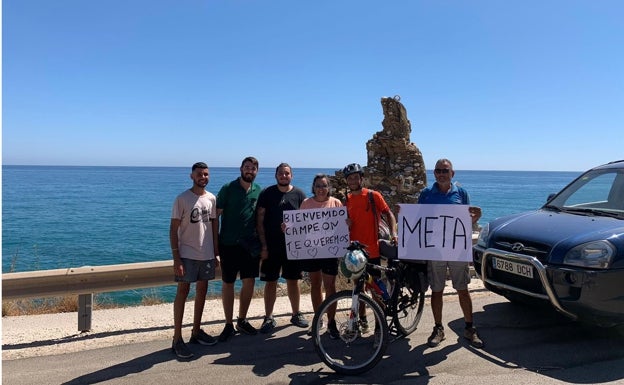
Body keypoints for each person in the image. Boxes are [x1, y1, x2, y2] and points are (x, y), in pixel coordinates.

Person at [417, 158, 484, 349]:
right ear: (434, 173)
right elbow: (418, 219)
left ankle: (469, 327)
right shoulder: (426, 194)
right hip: (435, 249)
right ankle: (438, 328)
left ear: (452, 174)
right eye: (438, 170)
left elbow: (466, 222)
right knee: (436, 290)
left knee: (462, 289)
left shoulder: (461, 193)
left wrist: (476, 217)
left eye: (445, 170)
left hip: (456, 249)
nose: (441, 173)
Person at [169, 162, 219, 359]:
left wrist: (216, 252)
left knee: (202, 291)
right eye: (199, 174)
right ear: (191, 176)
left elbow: (214, 227)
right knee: (182, 292)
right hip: (187, 254)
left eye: (206, 174)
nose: (203, 177)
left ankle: (196, 332)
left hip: (206, 254)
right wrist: (176, 259)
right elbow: (173, 230)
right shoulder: (182, 199)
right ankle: (177, 338)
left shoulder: (212, 199)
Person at [342, 163, 398, 332]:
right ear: (347, 181)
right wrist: (347, 225)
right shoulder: (347, 200)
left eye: (355, 177)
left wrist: (394, 233)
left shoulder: (373, 196)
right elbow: (344, 225)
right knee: (358, 289)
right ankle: (363, 321)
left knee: (375, 290)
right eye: (350, 178)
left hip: (372, 250)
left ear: (361, 178)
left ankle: (380, 326)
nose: (353, 180)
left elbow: (388, 213)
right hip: (354, 252)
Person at [256, 163, 309, 334]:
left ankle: (296, 313)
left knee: (293, 281)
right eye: (281, 173)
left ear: (291, 175)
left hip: (293, 247)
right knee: (271, 282)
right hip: (272, 247)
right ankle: (268, 317)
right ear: (276, 175)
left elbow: (307, 220)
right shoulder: (267, 193)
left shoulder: (299, 194)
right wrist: (263, 245)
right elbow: (260, 220)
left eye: (287, 173)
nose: (283, 176)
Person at [216, 156, 262, 342]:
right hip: (228, 244)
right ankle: (228, 324)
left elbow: (261, 218)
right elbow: (215, 216)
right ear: (241, 169)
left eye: (253, 168)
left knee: (249, 282)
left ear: (257, 171)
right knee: (228, 283)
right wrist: (214, 243)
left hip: (250, 245)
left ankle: (241, 320)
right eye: (247, 167)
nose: (249, 170)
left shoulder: (258, 190)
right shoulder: (228, 188)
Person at [299, 174, 343, 339]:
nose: (321, 189)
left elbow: (341, 226)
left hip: (330, 251)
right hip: (311, 250)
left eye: (324, 185)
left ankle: (331, 322)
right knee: (315, 285)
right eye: (318, 185)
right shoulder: (306, 204)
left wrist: (347, 224)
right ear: (313, 187)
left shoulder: (336, 203)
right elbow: (299, 225)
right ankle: (318, 319)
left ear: (328, 187)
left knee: (330, 286)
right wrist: (288, 227)